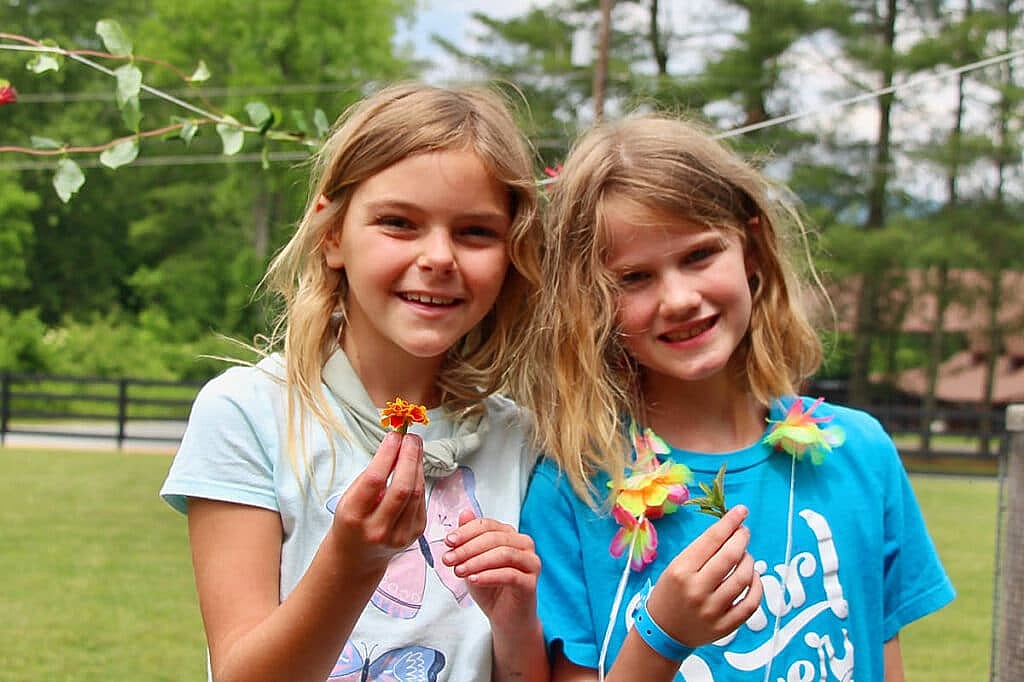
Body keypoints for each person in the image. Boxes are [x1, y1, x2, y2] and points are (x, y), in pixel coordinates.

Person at [515, 114, 955, 682]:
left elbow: (882, 658)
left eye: (699, 256)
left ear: (749, 249)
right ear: (591, 302)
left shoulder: (861, 453)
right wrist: (662, 637)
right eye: (634, 278)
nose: (678, 298)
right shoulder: (571, 491)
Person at [160, 82, 549, 682]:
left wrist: (514, 617)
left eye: (476, 232)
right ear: (332, 234)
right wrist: (350, 563)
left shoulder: (519, 436)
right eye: (399, 223)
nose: (440, 257)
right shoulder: (247, 413)